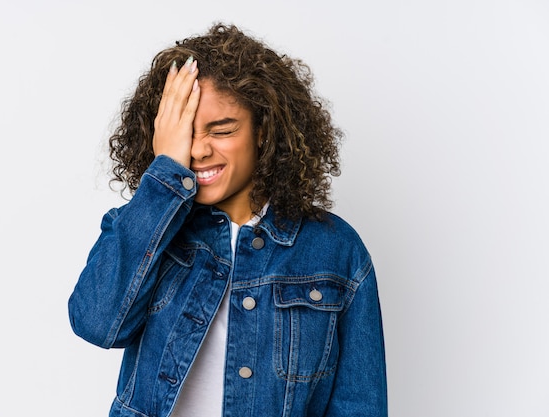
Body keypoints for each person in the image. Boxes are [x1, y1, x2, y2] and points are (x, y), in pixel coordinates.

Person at [68, 23, 387, 417]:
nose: (198, 150)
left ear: (264, 132)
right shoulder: (147, 226)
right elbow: (97, 324)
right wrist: (165, 173)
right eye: (183, 134)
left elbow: (360, 405)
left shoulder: (336, 251)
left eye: (221, 130)